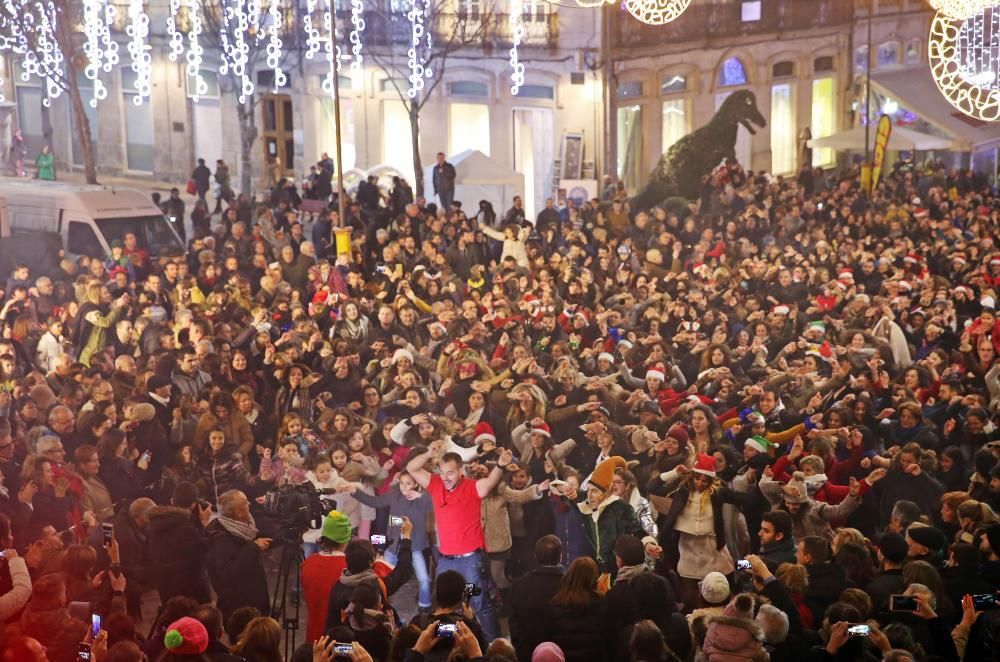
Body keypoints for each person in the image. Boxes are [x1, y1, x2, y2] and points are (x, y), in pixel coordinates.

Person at [406, 441, 511, 641]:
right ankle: (446, 644)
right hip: (445, 561)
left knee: (477, 602)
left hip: (471, 561)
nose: (445, 477)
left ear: (461, 471)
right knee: (444, 603)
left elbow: (489, 482)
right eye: (443, 472)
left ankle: (494, 646)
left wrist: (501, 466)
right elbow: (412, 467)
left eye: (450, 473)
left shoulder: (473, 487)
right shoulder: (436, 484)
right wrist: (428, 451)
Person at [508, 534, 565, 661]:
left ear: (535, 556)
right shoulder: (570, 585)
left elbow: (514, 627)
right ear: (561, 556)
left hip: (526, 655)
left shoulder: (518, 586)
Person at [301, 509, 351, 642]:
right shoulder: (349, 568)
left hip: (313, 638)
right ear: (346, 539)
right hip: (340, 641)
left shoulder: (308, 563)